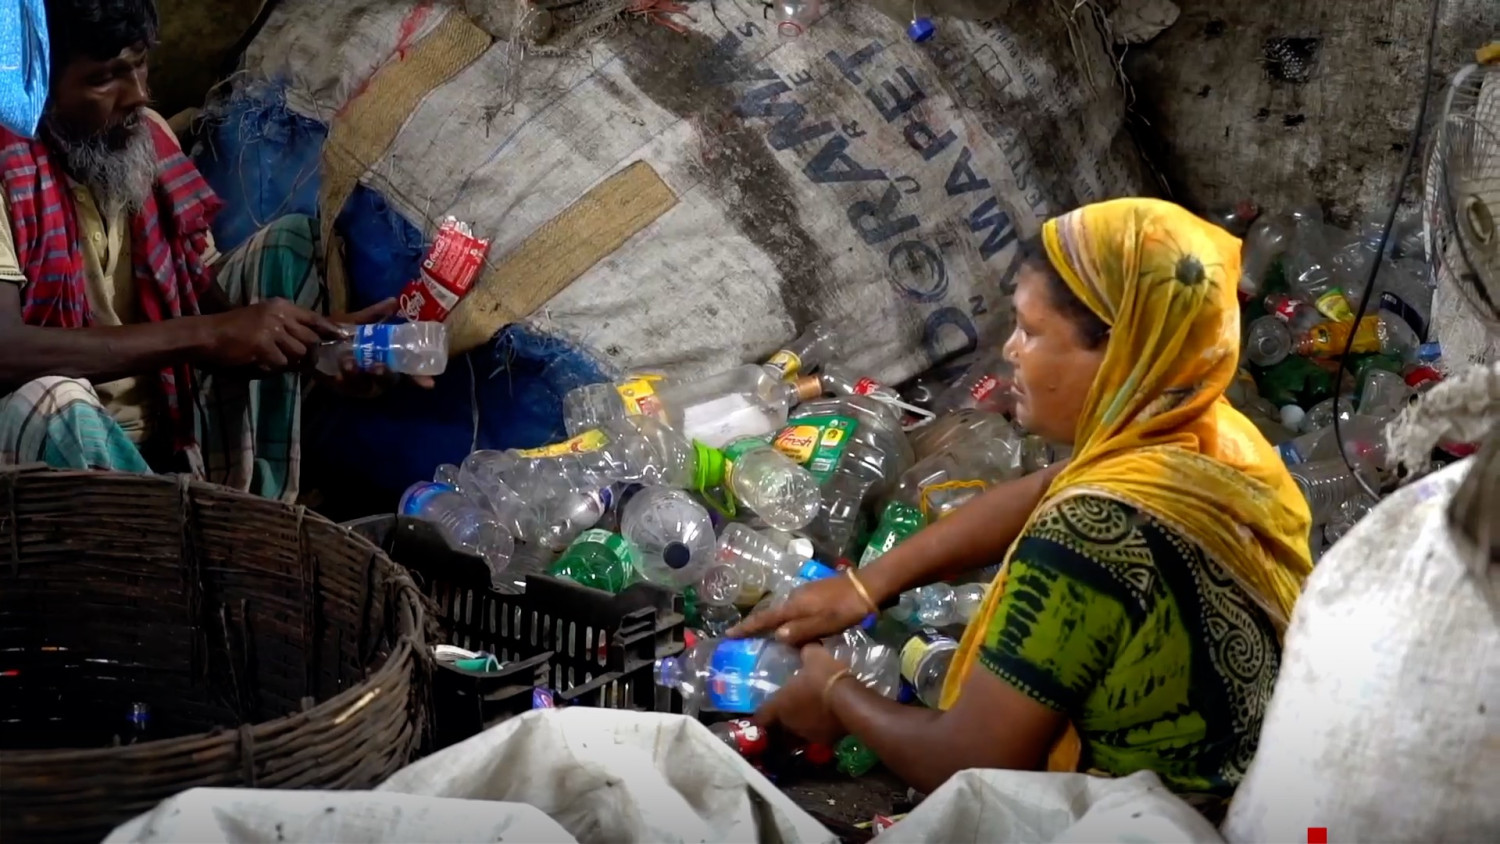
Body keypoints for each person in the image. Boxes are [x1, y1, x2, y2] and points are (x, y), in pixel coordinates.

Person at [734, 198, 1314, 810]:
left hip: (1178, 821)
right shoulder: (1209, 438)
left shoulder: (1092, 529)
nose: (1010, 351)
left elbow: (968, 762)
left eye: (1031, 332)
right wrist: (866, 586)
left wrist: (836, 695)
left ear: (1118, 351)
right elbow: (1044, 488)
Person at [0, 0, 426, 502]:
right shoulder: (8, 168)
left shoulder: (142, 135)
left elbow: (197, 293)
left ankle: (252, 508)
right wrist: (207, 335)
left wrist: (314, 348)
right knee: (51, 400)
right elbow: (6, 352)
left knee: (288, 246)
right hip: (54, 451)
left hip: (170, 420)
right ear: (37, 85)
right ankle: (170, 539)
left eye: (139, 63)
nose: (138, 94)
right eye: (104, 78)